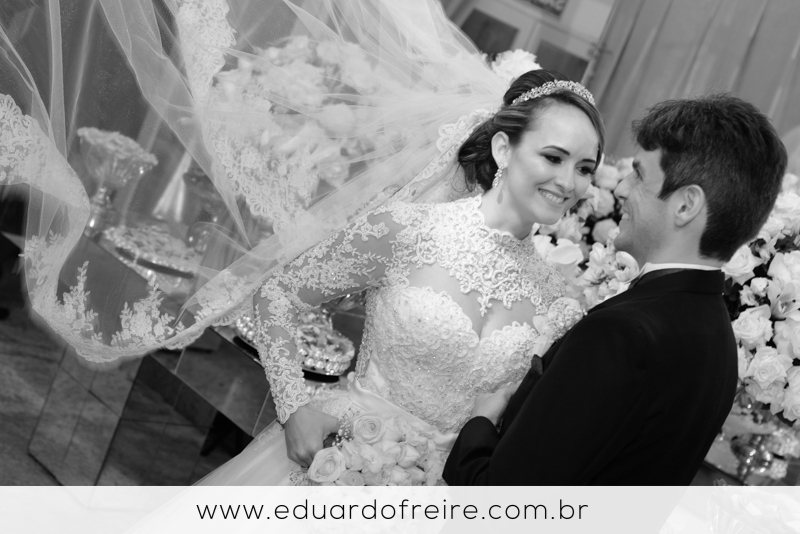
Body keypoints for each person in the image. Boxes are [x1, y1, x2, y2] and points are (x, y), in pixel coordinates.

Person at [197, 69, 604, 484]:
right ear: (503, 149)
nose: (568, 182)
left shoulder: (558, 303)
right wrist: (294, 410)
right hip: (340, 463)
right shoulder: (406, 231)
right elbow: (277, 294)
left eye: (585, 168)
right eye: (553, 158)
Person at [442, 94, 788, 485]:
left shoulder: (622, 335)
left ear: (686, 205)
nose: (621, 188)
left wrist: (479, 423)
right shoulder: (719, 343)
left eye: (639, 175)